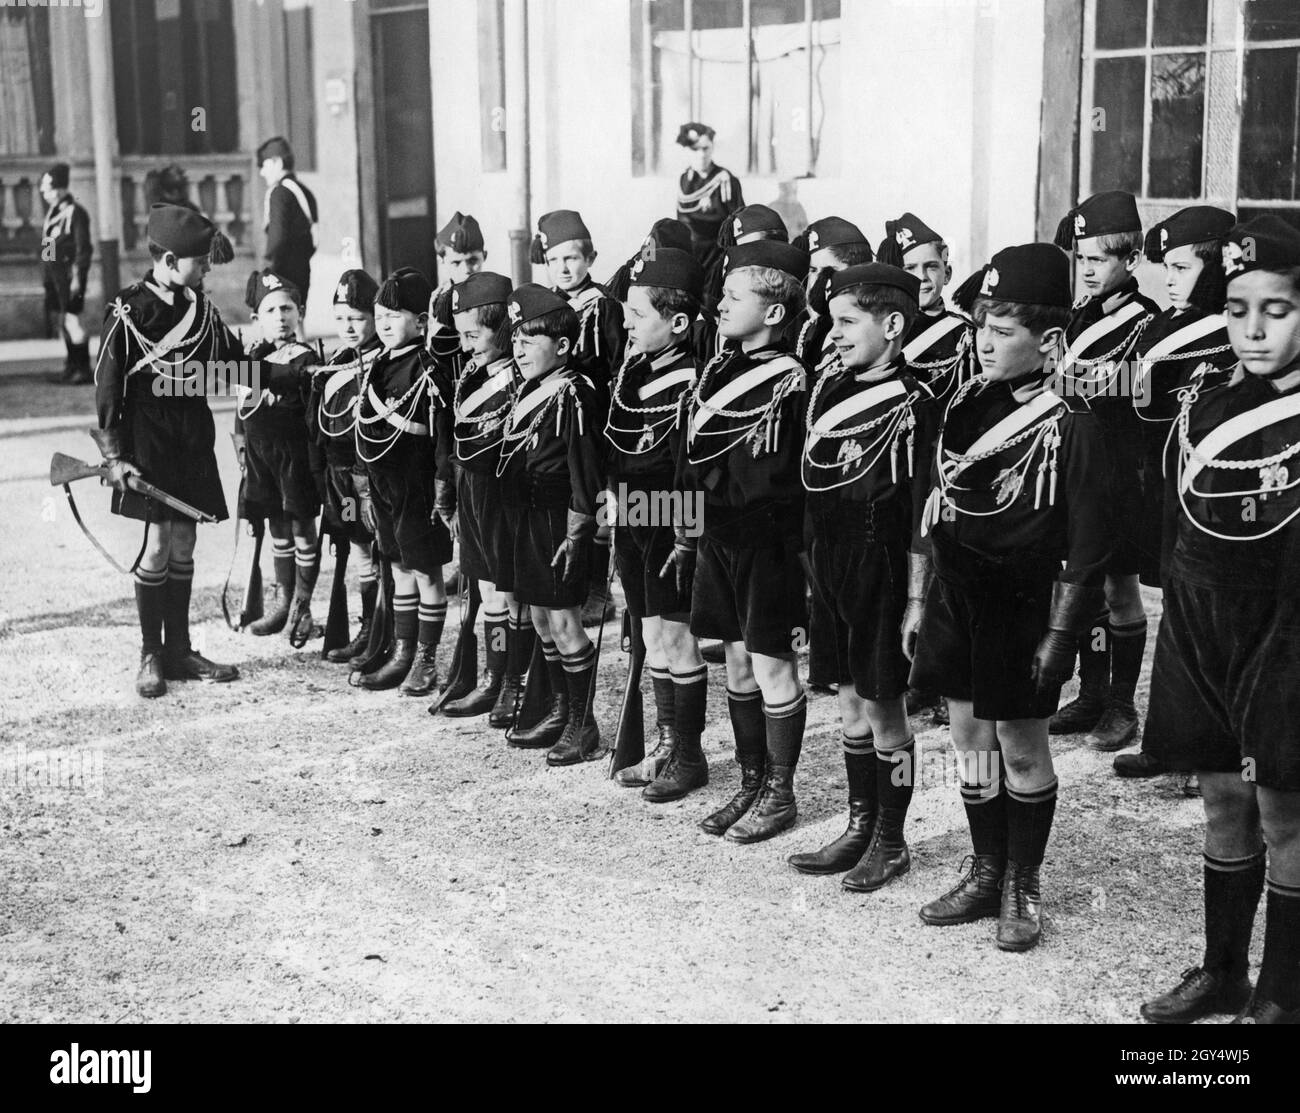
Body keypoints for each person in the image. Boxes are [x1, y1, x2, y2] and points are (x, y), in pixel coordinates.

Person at [910, 243, 1112, 952]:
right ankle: (986, 867)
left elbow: (1089, 548)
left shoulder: (1072, 423)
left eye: (1002, 332)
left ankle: (1023, 885)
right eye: (979, 328)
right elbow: (930, 502)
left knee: (1020, 748)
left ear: (1050, 341)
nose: (982, 342)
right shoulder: (962, 402)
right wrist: (919, 596)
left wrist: (1062, 638)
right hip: (957, 590)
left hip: (1022, 601)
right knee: (968, 738)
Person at [1137, 216, 1300, 1024]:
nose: (1254, 328)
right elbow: (1185, 526)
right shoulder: (1207, 406)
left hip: (1289, 628)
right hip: (1206, 622)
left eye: (1276, 309)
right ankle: (1223, 971)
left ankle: (1282, 989)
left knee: (1284, 807)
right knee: (1221, 796)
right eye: (1238, 309)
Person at [788, 263, 940, 891]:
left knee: (884, 708)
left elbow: (923, 510)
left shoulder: (920, 402)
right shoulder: (827, 388)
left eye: (849, 322)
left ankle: (893, 836)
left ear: (894, 325)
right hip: (830, 563)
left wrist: (915, 597)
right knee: (848, 699)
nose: (836, 333)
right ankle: (860, 823)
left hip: (882, 567)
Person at [681, 239, 812, 843]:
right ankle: (752, 781)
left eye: (736, 297)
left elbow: (779, 478)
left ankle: (780, 794)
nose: (721, 307)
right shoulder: (720, 366)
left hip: (767, 543)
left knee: (770, 663)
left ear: (776, 313)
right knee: (733, 659)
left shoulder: (789, 381)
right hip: (720, 536)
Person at [92, 203, 241, 697]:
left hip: (192, 440)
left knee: (184, 544)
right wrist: (114, 455)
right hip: (149, 444)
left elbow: (230, 368)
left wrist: (286, 373)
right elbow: (108, 384)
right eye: (199, 262)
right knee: (156, 546)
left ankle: (179, 648)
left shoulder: (200, 307)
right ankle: (150, 654)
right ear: (172, 259)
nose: (206, 270)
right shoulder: (129, 308)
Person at [1113, 206, 1238, 782]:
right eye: (1165, 266)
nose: (1169, 279)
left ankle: (1208, 750)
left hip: (1218, 490)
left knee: (1211, 617)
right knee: (1176, 614)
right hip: (1166, 485)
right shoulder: (1165, 323)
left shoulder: (1233, 329)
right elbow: (1131, 388)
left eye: (1182, 267)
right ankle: (1172, 741)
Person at [1049, 191, 1159, 752]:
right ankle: (1091, 694)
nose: (1087, 269)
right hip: (1076, 471)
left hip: (1119, 472)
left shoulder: (1147, 323)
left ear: (1131, 261)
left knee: (1119, 589)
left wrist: (1062, 386)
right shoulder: (1082, 314)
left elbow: (1137, 389)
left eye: (1099, 260)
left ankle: (1121, 705)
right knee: (1081, 583)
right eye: (1082, 258)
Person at [606, 247, 709, 802]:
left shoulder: (692, 380)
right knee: (648, 633)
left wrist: (685, 536)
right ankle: (666, 745)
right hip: (632, 513)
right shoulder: (635, 371)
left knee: (676, 636)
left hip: (672, 516)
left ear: (678, 323)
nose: (626, 323)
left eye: (638, 314)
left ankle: (688, 756)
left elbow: (687, 467)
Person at [496, 284, 607, 765]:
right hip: (528, 513)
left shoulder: (575, 392)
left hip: (560, 521)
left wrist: (579, 531)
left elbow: (585, 468)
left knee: (564, 622)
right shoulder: (531, 388)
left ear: (562, 347)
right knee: (540, 616)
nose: (519, 349)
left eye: (530, 340)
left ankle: (584, 724)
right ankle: (561, 709)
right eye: (516, 339)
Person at [352, 267, 454, 695]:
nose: (385, 323)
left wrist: (443, 485)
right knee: (397, 567)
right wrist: (363, 484)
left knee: (425, 571)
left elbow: (442, 434)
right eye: (380, 315)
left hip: (417, 486)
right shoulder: (377, 363)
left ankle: (426, 660)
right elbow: (365, 428)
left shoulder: (428, 368)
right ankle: (402, 651)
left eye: (395, 315)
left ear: (422, 322)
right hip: (385, 485)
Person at [441, 270, 529, 720]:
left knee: (512, 593)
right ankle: (495, 676)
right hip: (472, 488)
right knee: (490, 591)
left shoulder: (520, 376)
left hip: (503, 492)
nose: (466, 345)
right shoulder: (471, 373)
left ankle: (516, 681)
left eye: (474, 335)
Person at [532, 209, 624, 627]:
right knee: (569, 492)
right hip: (556, 415)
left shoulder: (602, 307)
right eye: (554, 260)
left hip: (594, 411)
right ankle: (570, 575)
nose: (564, 267)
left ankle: (598, 590)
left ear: (589, 259)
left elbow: (616, 363)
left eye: (572, 258)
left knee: (599, 497)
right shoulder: (546, 307)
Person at [235, 270, 322, 644]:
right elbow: (242, 412)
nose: (281, 317)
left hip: (295, 458)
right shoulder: (250, 358)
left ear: (299, 313)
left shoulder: (305, 359)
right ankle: (282, 602)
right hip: (261, 460)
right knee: (276, 527)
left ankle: (303, 607)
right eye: (271, 310)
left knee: (302, 527)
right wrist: (240, 448)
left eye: (287, 308)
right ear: (257, 319)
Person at [308, 268, 384, 663]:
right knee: (358, 544)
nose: (349, 328)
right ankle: (368, 628)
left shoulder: (383, 363)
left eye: (357, 318)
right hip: (341, 483)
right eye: (341, 319)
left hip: (370, 479)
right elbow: (317, 429)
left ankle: (385, 633)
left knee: (384, 549)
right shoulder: (335, 363)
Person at [876, 212, 973, 406]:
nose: (921, 277)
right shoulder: (876, 330)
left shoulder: (966, 335)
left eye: (931, 267)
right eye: (910, 268)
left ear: (947, 274)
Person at [675, 122, 745, 309]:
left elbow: (739, 222)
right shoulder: (685, 179)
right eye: (695, 149)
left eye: (705, 148)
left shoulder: (725, 180)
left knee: (712, 307)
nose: (701, 154)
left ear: (712, 148)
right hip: (692, 257)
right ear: (687, 150)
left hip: (716, 257)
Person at [39, 163, 93, 385]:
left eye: (47, 188)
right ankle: (71, 365)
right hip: (56, 277)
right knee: (64, 322)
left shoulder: (75, 213)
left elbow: (83, 249)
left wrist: (79, 278)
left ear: (60, 189)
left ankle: (83, 368)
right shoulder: (54, 213)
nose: (43, 192)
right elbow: (49, 247)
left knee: (73, 321)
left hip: (70, 277)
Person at [428, 211, 489, 380]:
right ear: (443, 261)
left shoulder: (497, 295)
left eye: (473, 260)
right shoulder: (438, 300)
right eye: (456, 262)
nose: (466, 270)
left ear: (484, 256)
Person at [257, 136, 318, 306]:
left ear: (277, 162)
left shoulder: (279, 193)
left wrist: (268, 268)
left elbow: (277, 237)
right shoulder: (304, 191)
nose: (262, 172)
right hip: (302, 268)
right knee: (297, 319)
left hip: (283, 273)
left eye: (264, 165)